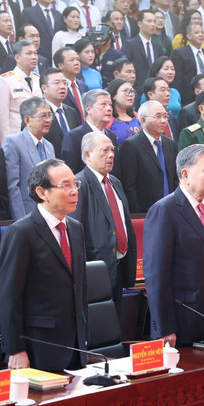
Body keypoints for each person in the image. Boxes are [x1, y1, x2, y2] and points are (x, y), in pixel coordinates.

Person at [143, 144, 204, 347]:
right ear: (185, 174)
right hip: (183, 320)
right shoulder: (164, 211)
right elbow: (156, 275)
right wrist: (164, 327)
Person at [0, 158, 88, 371]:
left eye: (75, 184)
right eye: (65, 185)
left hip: (76, 344)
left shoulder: (75, 229)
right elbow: (9, 296)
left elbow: (79, 288)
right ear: (42, 192)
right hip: (39, 344)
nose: (74, 191)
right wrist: (15, 349)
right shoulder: (21, 232)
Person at [72, 131, 136, 312]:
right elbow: (76, 233)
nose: (111, 155)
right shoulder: (79, 183)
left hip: (118, 264)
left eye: (112, 150)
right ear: (87, 154)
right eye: (104, 151)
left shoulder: (114, 181)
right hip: (96, 266)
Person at [119, 100, 178, 213]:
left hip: (170, 209)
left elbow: (174, 180)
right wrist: (136, 213)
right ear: (143, 120)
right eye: (158, 116)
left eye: (165, 116)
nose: (163, 121)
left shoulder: (170, 144)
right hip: (145, 212)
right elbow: (128, 186)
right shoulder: (131, 146)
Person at [3, 96, 55, 220]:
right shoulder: (13, 142)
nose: (48, 120)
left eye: (50, 115)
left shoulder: (49, 146)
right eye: (43, 116)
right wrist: (20, 219)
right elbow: (12, 186)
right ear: (27, 119)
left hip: (49, 213)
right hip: (27, 214)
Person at [61, 88, 119, 176]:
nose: (109, 109)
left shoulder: (111, 135)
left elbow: (116, 170)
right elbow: (69, 172)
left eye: (110, 105)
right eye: (103, 104)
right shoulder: (74, 136)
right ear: (88, 109)